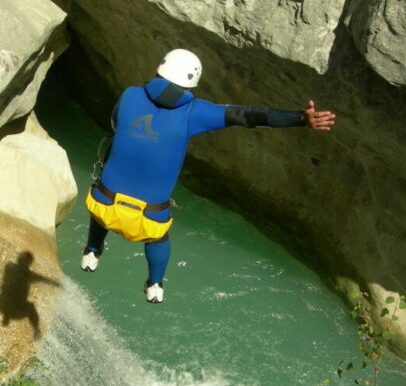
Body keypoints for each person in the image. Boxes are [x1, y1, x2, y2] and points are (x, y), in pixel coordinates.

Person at [81, 48, 336, 303]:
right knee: (158, 237)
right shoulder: (194, 111)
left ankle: (92, 251)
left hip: (104, 204)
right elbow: (246, 115)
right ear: (192, 84)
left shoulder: (130, 94)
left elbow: (115, 123)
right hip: (147, 219)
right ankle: (155, 284)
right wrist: (300, 118)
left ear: (159, 69)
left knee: (104, 199)